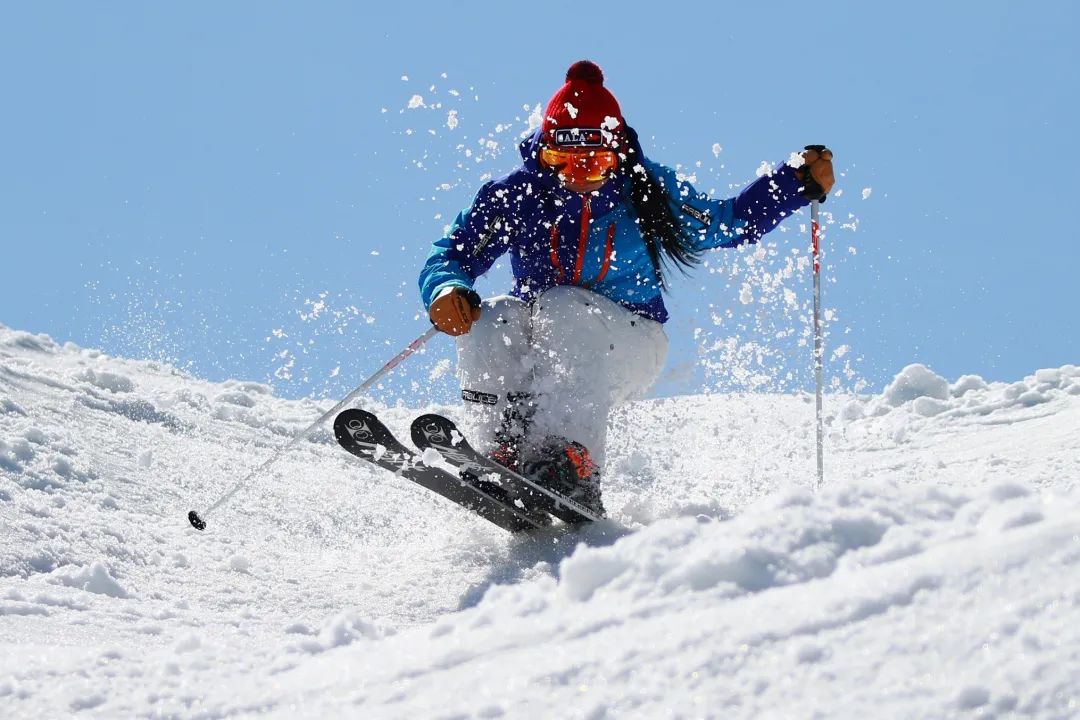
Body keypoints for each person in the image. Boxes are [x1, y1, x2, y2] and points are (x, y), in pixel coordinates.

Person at [418, 60, 834, 516]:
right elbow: (451, 255)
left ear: (615, 154)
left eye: (594, 163)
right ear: (543, 153)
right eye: (563, 161)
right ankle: (504, 449)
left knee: (561, 307)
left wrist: (793, 183)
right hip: (549, 340)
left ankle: (575, 463)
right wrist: (447, 290)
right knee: (493, 316)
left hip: (631, 340)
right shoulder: (516, 196)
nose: (578, 176)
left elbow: (727, 222)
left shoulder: (645, 188)